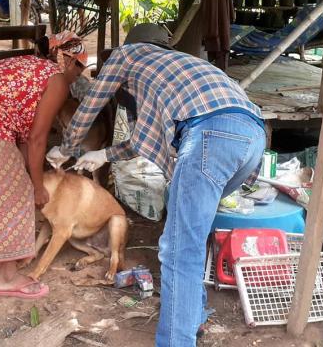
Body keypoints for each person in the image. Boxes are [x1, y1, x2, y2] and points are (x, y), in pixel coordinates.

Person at [46, 23, 266, 345]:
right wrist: (103, 155)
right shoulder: (181, 69)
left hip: (209, 133)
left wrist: (65, 149)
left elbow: (91, 105)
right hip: (252, 139)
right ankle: (195, 318)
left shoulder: (128, 55)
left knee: (178, 250)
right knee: (192, 234)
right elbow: (139, 142)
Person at [0, 31, 87, 299]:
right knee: (14, 192)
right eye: (78, 71)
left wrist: (25, 174)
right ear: (69, 61)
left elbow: (24, 138)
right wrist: (36, 187)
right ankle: (7, 278)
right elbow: (37, 139)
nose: (77, 78)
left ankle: (5, 258)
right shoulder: (57, 81)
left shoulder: (35, 68)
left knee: (7, 186)